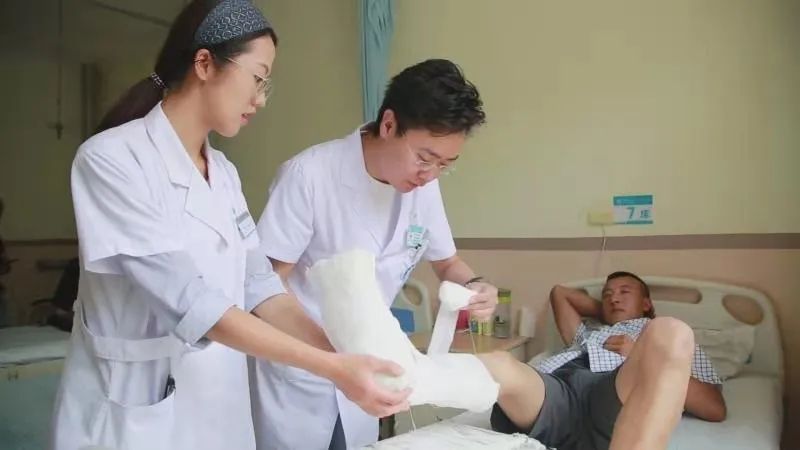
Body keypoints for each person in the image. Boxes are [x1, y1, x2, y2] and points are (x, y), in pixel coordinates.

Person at [50, 1, 410, 449]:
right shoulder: (111, 160)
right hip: (134, 413)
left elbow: (260, 287)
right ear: (204, 63)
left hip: (218, 403)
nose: (260, 99)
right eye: (258, 78)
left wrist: (343, 354)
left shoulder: (223, 173)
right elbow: (189, 301)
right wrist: (333, 368)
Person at [249, 59, 499, 449]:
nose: (430, 174)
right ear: (389, 124)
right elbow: (264, 287)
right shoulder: (309, 175)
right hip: (301, 375)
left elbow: (447, 262)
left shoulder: (424, 187)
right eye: (424, 158)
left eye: (445, 165)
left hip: (366, 370)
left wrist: (476, 285)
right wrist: (333, 358)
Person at [478, 271, 726, 450]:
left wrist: (639, 354)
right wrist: (609, 312)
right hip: (554, 394)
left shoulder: (656, 337)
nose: (614, 298)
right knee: (493, 363)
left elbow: (714, 408)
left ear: (647, 303)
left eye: (624, 292)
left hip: (616, 396)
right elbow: (560, 293)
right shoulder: (589, 332)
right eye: (607, 295)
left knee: (673, 330)